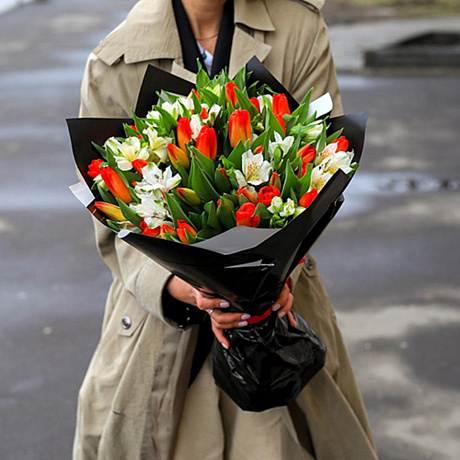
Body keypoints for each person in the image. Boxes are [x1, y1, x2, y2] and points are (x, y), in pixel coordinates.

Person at [74, 0, 378, 459]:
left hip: (281, 311)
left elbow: (325, 165)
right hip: (161, 327)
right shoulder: (114, 60)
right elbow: (112, 224)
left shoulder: (299, 27)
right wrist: (183, 286)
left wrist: (268, 282)